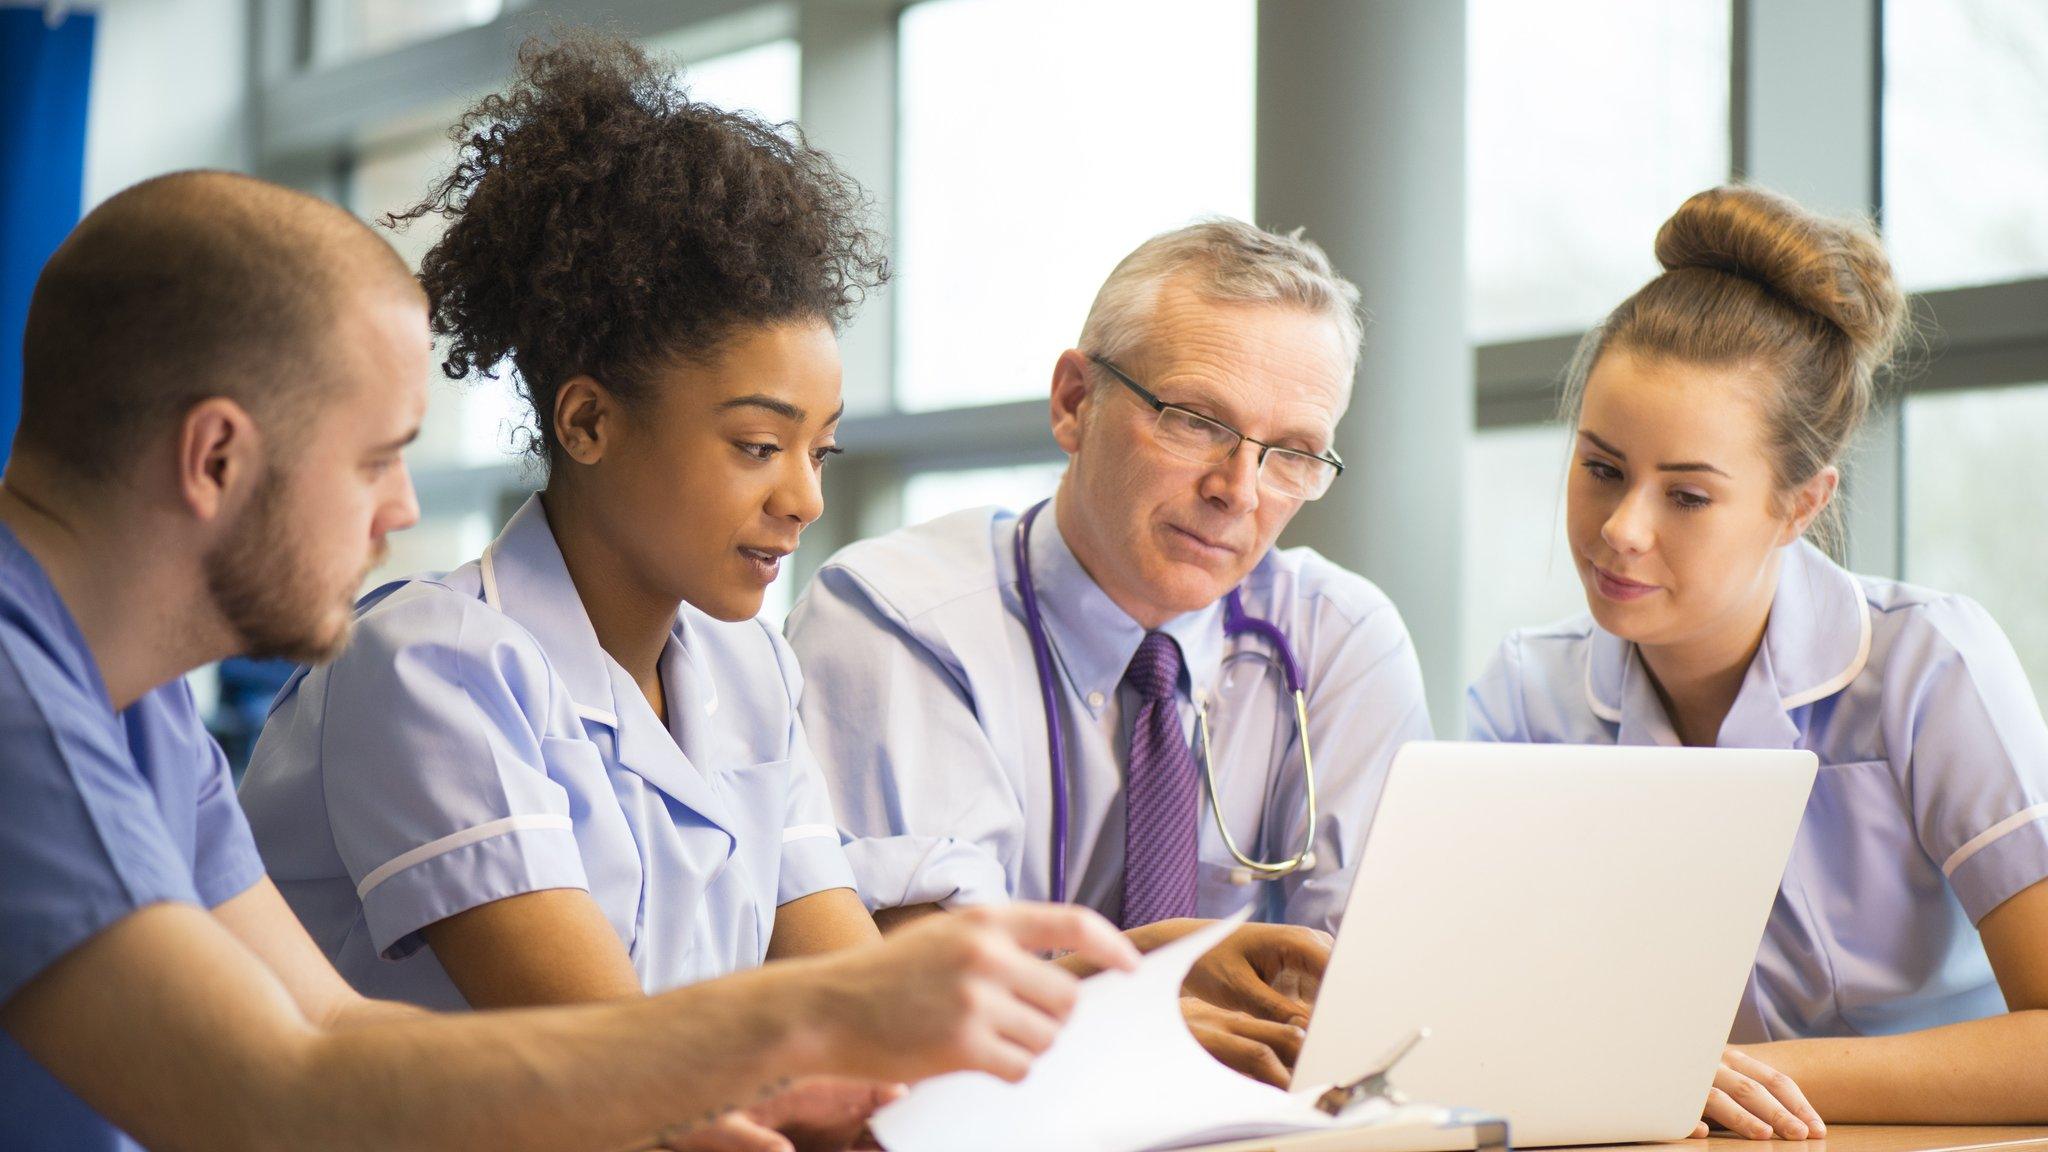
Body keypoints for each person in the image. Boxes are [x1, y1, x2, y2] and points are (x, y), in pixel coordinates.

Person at [0, 168, 1137, 1152]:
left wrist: (683, 1102)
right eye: (375, 460)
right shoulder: (19, 706)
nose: (400, 509)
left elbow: (326, 1028)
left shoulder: (140, 713)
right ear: (214, 457)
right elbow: (267, 1100)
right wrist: (804, 1020)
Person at [238, 31, 887, 1012]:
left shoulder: (749, 674)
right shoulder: (429, 664)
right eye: (758, 445)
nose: (803, 498)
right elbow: (601, 1070)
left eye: (819, 451)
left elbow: (860, 1010)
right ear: (587, 421)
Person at [784, 218, 1434, 1082]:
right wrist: (1141, 1023)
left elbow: (1382, 981)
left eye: (1292, 455)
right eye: (1196, 422)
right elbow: (937, 992)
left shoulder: (1341, 637)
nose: (1236, 492)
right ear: (1074, 403)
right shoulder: (898, 616)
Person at [1467, 185, 2048, 1136]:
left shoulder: (1925, 666)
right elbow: (1494, 1025)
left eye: (1687, 497)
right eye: (1601, 469)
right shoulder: (1523, 695)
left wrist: (1724, 1072)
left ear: (1799, 505)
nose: (1621, 530)